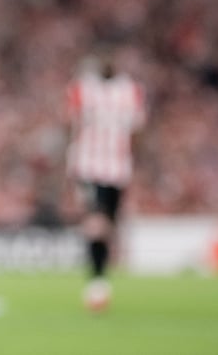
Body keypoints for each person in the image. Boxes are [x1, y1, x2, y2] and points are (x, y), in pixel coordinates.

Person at [65, 49, 145, 312]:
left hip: (117, 169)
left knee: (107, 223)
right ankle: (96, 283)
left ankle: (99, 276)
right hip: (89, 166)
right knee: (96, 219)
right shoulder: (83, 88)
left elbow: (137, 129)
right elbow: (71, 123)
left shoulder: (130, 90)